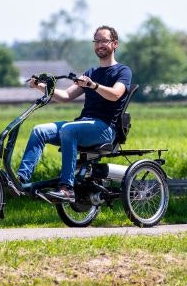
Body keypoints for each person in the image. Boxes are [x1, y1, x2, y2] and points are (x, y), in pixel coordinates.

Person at [17, 25, 132, 202]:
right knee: (39, 130)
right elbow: (65, 96)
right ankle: (21, 180)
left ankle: (66, 188)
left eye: (104, 41)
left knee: (69, 130)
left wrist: (93, 85)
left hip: (105, 128)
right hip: (84, 124)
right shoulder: (91, 72)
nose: (99, 45)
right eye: (96, 41)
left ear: (114, 44)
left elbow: (116, 94)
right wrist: (39, 87)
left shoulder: (122, 71)